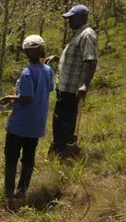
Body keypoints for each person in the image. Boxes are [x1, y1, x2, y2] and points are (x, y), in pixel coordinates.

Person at [0, 35, 54, 208]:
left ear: (25, 52)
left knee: (11, 158)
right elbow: (50, 88)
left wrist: (9, 97)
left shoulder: (27, 72)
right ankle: (22, 192)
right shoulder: (47, 70)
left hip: (20, 124)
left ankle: (9, 196)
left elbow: (26, 97)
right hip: (37, 124)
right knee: (29, 158)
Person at [44, 4, 98, 159]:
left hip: (71, 88)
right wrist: (57, 58)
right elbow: (76, 59)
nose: (68, 22)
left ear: (81, 18)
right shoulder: (79, 34)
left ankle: (64, 152)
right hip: (64, 86)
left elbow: (90, 61)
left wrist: (84, 84)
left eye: (71, 18)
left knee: (65, 121)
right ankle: (60, 149)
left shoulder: (87, 35)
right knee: (59, 120)